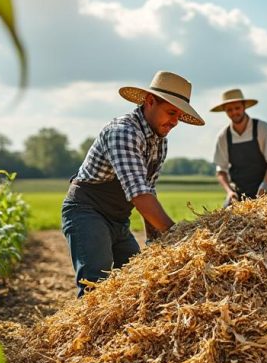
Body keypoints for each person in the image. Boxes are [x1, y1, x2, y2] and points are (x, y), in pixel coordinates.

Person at [61, 71, 204, 296]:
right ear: (150, 102)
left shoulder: (160, 141)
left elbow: (148, 190)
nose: (175, 121)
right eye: (171, 112)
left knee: (136, 281)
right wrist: (176, 234)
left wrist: (156, 242)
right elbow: (139, 194)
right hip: (87, 212)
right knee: (96, 285)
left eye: (179, 116)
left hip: (119, 220)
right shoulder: (123, 132)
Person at [210, 88, 267, 206]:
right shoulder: (223, 136)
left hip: (263, 192)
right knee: (222, 222)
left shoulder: (262, 128)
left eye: (237, 108)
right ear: (225, 111)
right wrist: (229, 192)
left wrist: (265, 185)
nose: (234, 112)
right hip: (237, 195)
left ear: (244, 106)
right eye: (229, 110)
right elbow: (221, 171)